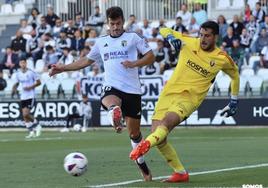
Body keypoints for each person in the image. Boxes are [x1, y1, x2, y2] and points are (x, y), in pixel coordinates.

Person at [49, 6, 155, 181]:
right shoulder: (101, 42)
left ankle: (141, 163)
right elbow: (86, 60)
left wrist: (135, 63)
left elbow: (150, 56)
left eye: (118, 23)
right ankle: (114, 110)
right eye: (112, 24)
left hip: (133, 91)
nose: (115, 27)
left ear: (123, 22)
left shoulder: (133, 38)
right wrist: (62, 68)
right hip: (112, 86)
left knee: (134, 135)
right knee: (110, 99)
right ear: (107, 23)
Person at [130, 21, 240, 183]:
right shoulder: (189, 41)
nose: (203, 39)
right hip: (168, 93)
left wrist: (234, 100)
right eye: (201, 34)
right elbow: (163, 29)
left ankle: (144, 146)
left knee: (165, 124)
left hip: (189, 98)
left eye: (207, 36)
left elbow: (235, 75)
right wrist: (169, 36)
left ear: (215, 37)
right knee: (159, 135)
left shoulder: (222, 58)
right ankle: (180, 172)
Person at [12, 58, 42, 138]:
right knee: (24, 116)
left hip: (30, 96)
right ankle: (31, 131)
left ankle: (37, 124)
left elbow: (39, 82)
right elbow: (17, 83)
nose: (23, 64)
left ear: (26, 63)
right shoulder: (18, 74)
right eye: (21, 63)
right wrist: (14, 88)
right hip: (23, 96)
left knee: (26, 114)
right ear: (19, 64)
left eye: (24, 63)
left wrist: (30, 87)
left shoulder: (31, 72)